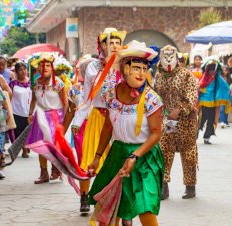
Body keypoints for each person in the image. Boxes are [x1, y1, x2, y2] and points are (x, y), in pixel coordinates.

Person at [88, 40, 163, 226]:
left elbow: (156, 133)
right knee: (112, 206)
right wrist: (97, 156)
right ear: (123, 68)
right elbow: (107, 127)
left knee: (146, 206)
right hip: (118, 154)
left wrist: (135, 156)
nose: (141, 73)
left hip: (145, 158)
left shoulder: (151, 99)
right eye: (136, 68)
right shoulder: (110, 95)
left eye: (144, 69)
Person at [71, 27, 126, 213]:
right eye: (110, 42)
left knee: (117, 161)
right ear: (102, 45)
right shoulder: (92, 67)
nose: (114, 46)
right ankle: (84, 196)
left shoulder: (126, 65)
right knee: (90, 159)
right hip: (97, 116)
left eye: (118, 42)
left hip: (119, 118)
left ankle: (112, 201)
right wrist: (77, 121)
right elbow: (86, 97)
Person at [154, 45, 198, 199]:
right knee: (164, 150)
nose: (168, 60)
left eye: (170, 56)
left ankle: (190, 186)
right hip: (167, 121)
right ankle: (163, 186)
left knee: (188, 153)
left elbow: (191, 95)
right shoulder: (158, 75)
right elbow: (156, 95)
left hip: (186, 120)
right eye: (164, 56)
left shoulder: (186, 75)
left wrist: (179, 109)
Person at [26, 53, 67, 184]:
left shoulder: (58, 83)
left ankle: (56, 169)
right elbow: (33, 100)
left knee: (54, 146)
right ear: (38, 68)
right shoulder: (36, 83)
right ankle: (43, 173)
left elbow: (65, 103)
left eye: (48, 66)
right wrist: (30, 113)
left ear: (52, 68)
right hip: (41, 116)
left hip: (55, 117)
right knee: (41, 146)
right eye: (42, 66)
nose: (45, 68)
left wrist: (64, 122)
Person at [198, 57, 232, 144]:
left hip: (213, 102)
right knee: (202, 119)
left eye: (214, 69)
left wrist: (229, 92)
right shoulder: (203, 77)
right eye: (210, 69)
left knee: (211, 120)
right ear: (207, 69)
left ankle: (207, 137)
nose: (212, 71)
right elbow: (198, 87)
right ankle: (194, 134)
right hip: (204, 102)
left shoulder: (218, 78)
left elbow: (226, 87)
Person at [10, 62, 31, 158]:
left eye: (24, 69)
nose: (23, 72)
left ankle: (27, 146)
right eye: (20, 70)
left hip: (29, 111)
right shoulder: (12, 83)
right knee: (19, 132)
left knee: (28, 131)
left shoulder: (31, 82)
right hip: (16, 111)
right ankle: (24, 149)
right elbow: (9, 97)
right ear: (16, 72)